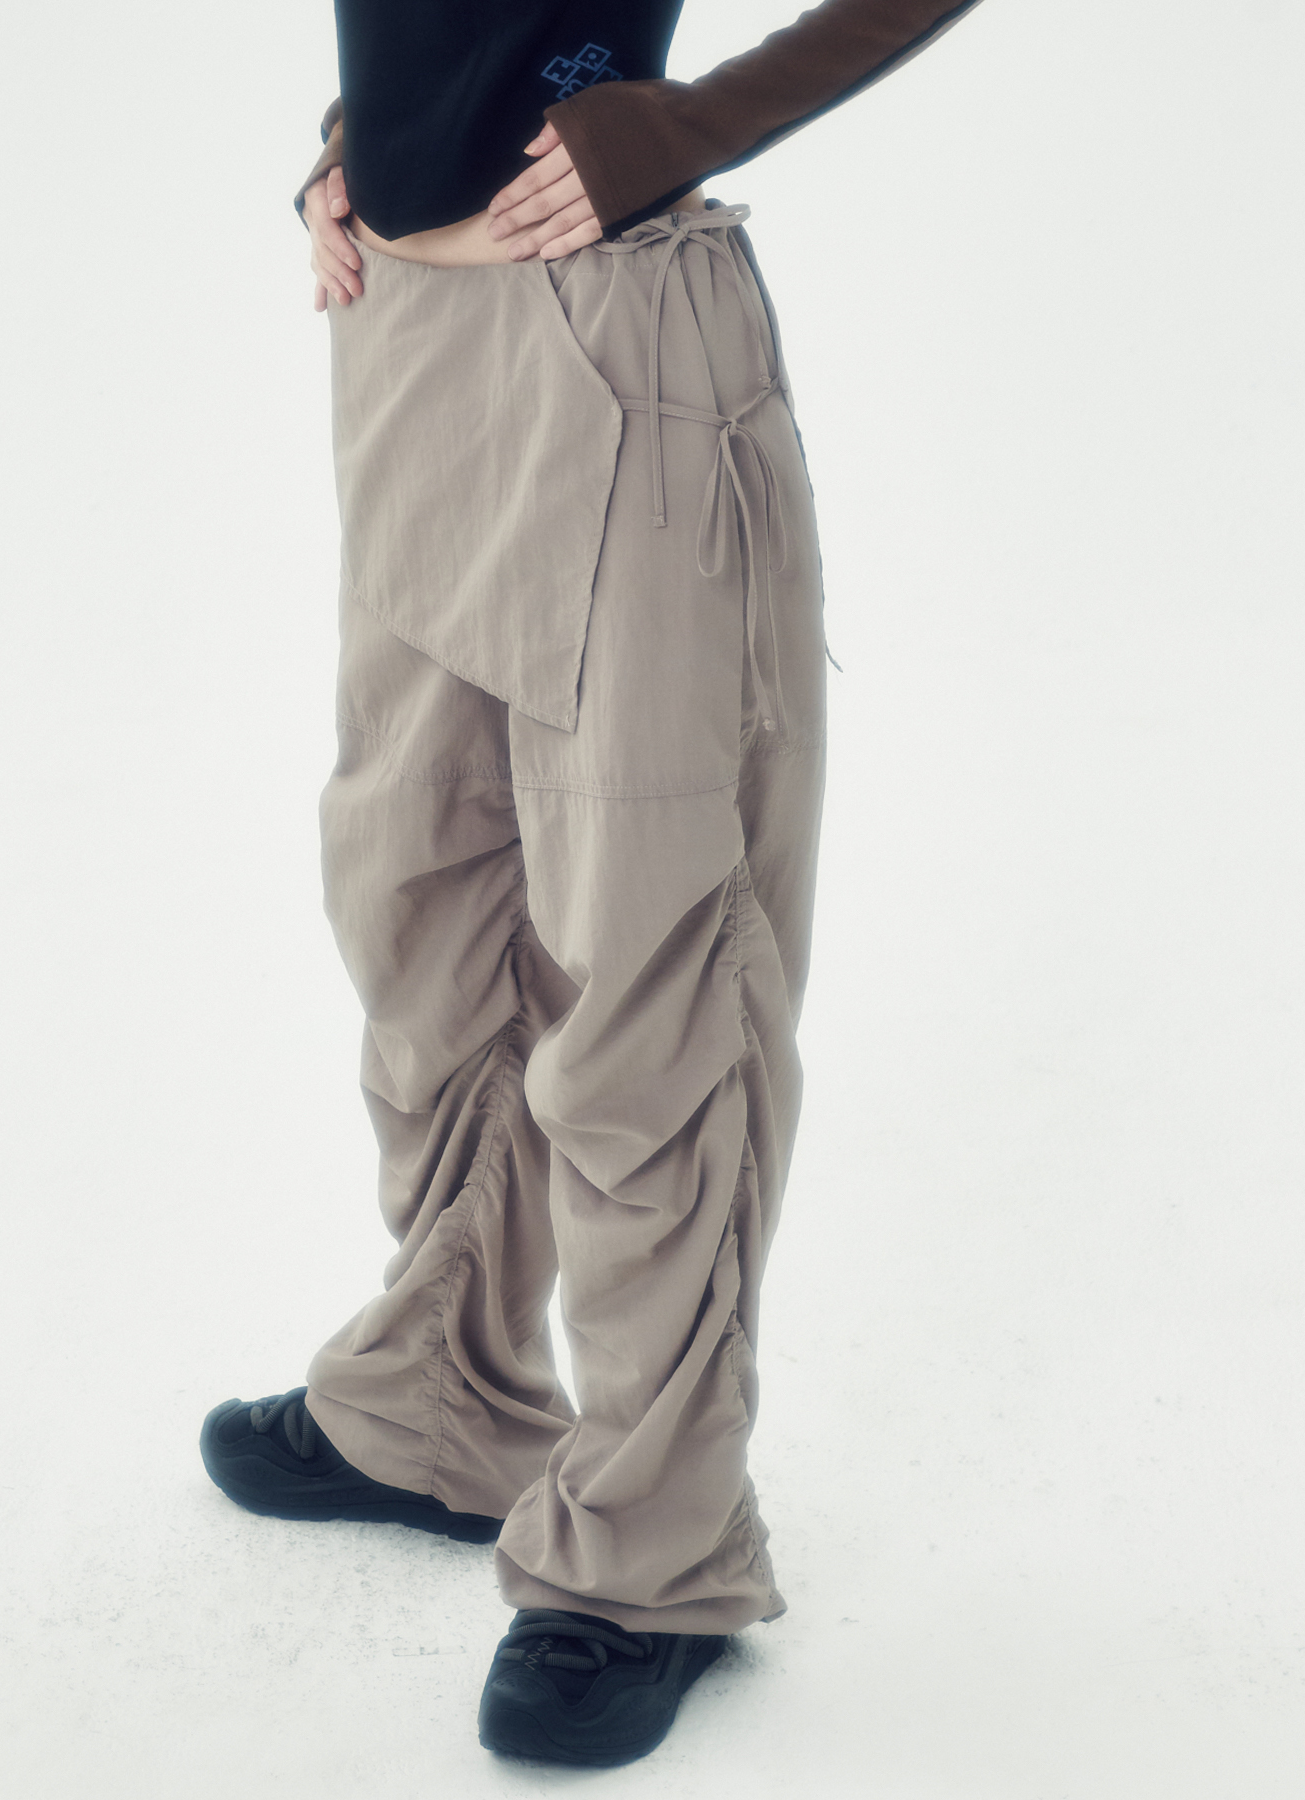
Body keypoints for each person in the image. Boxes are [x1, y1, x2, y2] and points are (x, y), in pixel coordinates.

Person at [200, 0, 984, 1768]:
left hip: (616, 339)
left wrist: (685, 125)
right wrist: (363, 141)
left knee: (648, 963)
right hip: (404, 332)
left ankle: (652, 1549)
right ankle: (445, 1399)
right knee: (420, 906)